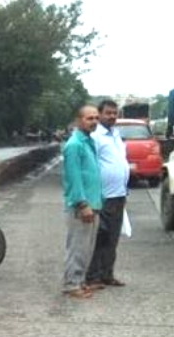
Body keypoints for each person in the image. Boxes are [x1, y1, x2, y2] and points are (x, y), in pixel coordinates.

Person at [86, 99, 131, 290]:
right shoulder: (95, 136)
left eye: (115, 113)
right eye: (108, 113)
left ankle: (107, 274)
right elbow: (90, 166)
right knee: (99, 238)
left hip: (119, 195)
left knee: (112, 238)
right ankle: (92, 276)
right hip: (103, 196)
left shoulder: (116, 135)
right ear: (100, 114)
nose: (112, 116)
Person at [61, 105, 103, 300]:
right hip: (82, 205)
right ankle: (71, 284)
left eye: (95, 118)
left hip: (93, 203)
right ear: (79, 120)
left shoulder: (88, 141)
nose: (94, 121)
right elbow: (74, 177)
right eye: (89, 118)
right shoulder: (74, 145)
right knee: (77, 246)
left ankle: (79, 280)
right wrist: (82, 203)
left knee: (87, 246)